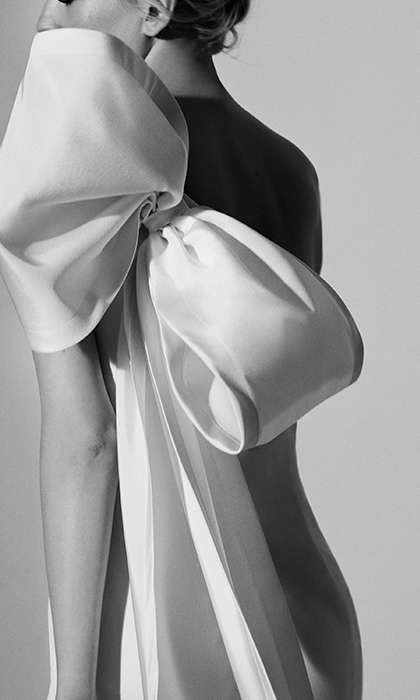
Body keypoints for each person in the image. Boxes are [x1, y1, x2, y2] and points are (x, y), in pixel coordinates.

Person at [0, 1, 363, 699]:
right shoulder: (290, 170)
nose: (47, 12)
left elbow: (86, 441)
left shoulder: (82, 153)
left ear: (155, 6)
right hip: (307, 617)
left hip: (171, 620)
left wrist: (73, 684)